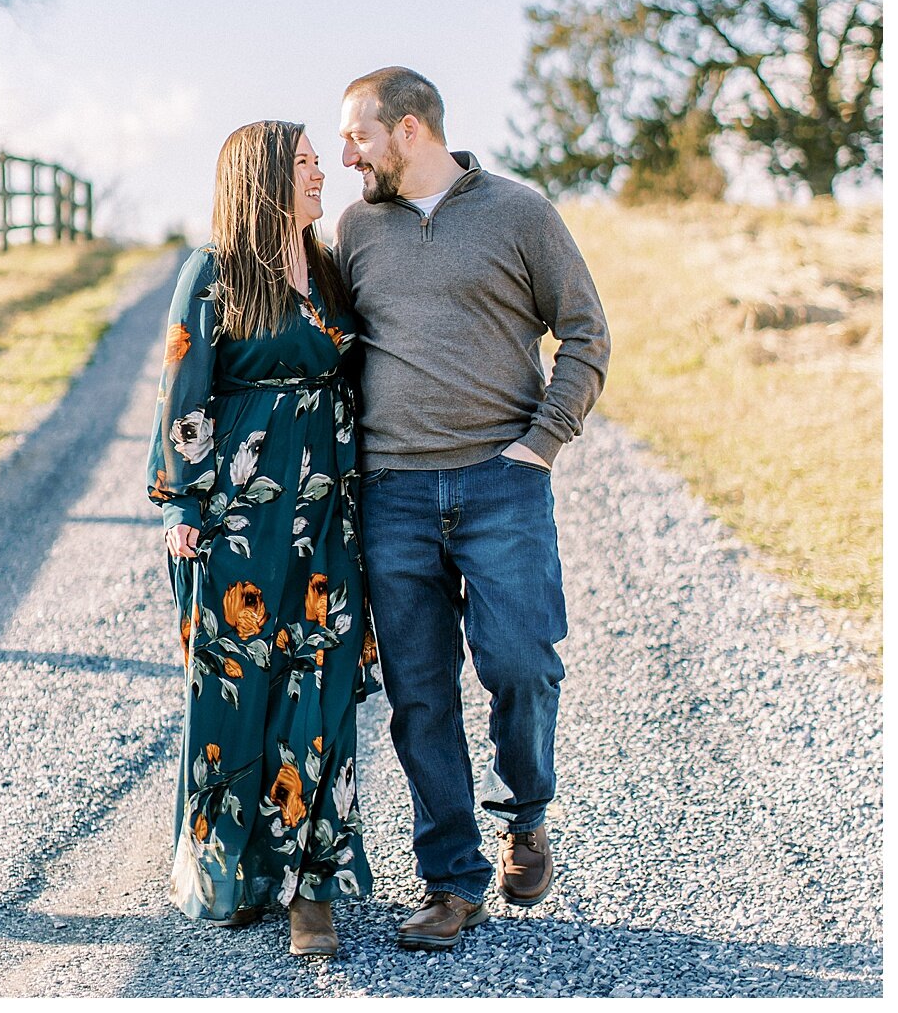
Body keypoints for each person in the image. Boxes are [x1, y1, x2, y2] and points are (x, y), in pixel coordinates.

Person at [335, 67, 610, 952]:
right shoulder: (356, 230)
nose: (348, 156)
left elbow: (586, 332)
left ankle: (527, 816)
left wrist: (540, 444)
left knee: (521, 661)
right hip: (395, 495)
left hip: (502, 484)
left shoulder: (519, 212)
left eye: (359, 137)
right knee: (418, 696)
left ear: (409, 130)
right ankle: (452, 883)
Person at [146, 120, 381, 957]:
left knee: (317, 686)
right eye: (308, 162)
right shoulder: (210, 273)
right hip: (238, 525)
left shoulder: (326, 267)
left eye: (321, 161)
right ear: (265, 177)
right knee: (236, 697)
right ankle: (230, 867)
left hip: (325, 518)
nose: (323, 172)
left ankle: (311, 887)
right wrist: (180, 508)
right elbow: (183, 394)